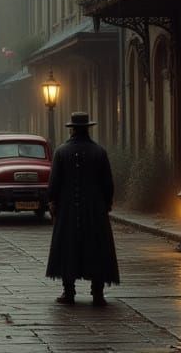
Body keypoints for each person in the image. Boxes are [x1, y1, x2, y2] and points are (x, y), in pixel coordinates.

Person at [46, 111, 120, 307]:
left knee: (68, 246)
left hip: (68, 208)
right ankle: (97, 293)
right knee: (97, 247)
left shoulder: (61, 152)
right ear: (88, 128)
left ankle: (68, 292)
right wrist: (106, 204)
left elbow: (53, 184)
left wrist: (53, 202)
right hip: (95, 208)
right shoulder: (99, 152)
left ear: (72, 130)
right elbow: (108, 184)